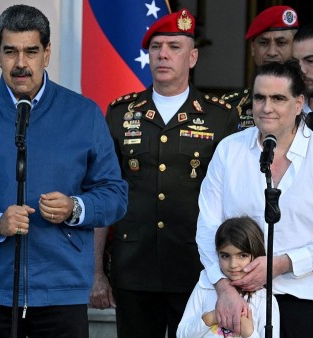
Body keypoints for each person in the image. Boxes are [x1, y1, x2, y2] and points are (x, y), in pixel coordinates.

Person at [0, 4, 128, 338]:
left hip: (60, 289)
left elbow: (114, 194)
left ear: (46, 54)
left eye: (31, 51)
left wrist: (75, 208)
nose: (21, 63)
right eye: (11, 52)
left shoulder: (83, 113)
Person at [90, 9, 239, 338]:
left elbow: (232, 200)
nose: (163, 55)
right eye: (156, 47)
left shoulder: (219, 117)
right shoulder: (120, 113)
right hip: (134, 267)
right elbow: (104, 194)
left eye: (174, 46)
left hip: (196, 267)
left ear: (193, 56)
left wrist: (231, 272)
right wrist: (96, 270)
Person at [196, 60, 313, 338]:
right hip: (236, 298)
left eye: (278, 98)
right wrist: (223, 287)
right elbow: (207, 227)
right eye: (259, 97)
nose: (266, 107)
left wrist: (282, 264)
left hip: (308, 301)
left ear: (299, 104)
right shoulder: (229, 151)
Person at [177, 216, 279, 338]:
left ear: (257, 254)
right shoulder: (204, 286)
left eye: (242, 255)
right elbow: (181, 334)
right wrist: (211, 318)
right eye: (225, 256)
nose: (233, 265)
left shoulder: (264, 299)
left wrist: (249, 333)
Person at [222, 5, 299, 130]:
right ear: (253, 48)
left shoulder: (311, 101)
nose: (272, 52)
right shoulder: (230, 106)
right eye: (263, 43)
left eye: (281, 43)